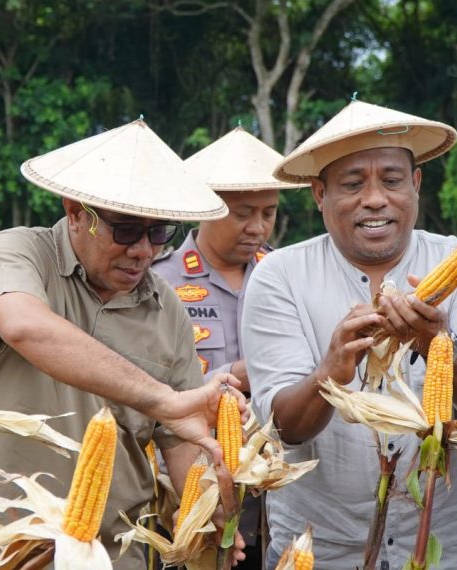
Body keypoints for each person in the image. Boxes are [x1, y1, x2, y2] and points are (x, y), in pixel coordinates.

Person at [0, 119, 248, 568]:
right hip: (4, 547)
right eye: (127, 230)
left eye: (159, 233)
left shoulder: (166, 307)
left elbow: (180, 443)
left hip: (117, 554)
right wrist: (166, 400)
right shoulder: (19, 252)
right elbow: (23, 326)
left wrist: (206, 513)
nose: (144, 251)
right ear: (75, 211)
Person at [240, 100, 457, 567]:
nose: (375, 199)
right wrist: (331, 372)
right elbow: (284, 428)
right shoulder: (278, 275)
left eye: (391, 179)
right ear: (319, 194)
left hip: (446, 549)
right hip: (319, 550)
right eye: (352, 184)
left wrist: (438, 345)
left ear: (416, 184)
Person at [151, 126, 307, 569]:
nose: (257, 227)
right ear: (207, 205)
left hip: (272, 497)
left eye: (269, 213)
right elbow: (146, 387)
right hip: (189, 491)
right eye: (242, 213)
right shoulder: (159, 280)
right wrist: (235, 376)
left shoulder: (285, 276)